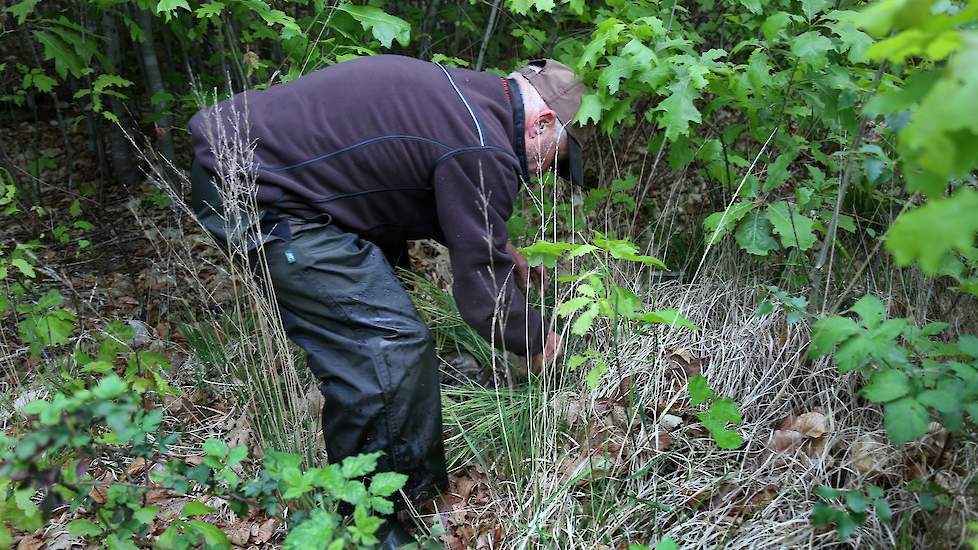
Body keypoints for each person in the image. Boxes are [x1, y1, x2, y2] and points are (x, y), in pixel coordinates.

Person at [188, 54, 589, 547]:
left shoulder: (470, 100)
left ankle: (407, 441)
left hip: (259, 167)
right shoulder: (482, 143)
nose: (547, 172)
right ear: (542, 122)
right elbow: (482, 282)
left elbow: (427, 181)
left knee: (385, 328)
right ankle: (377, 524)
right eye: (557, 155)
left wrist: (503, 249)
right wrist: (536, 340)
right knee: (387, 345)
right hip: (258, 189)